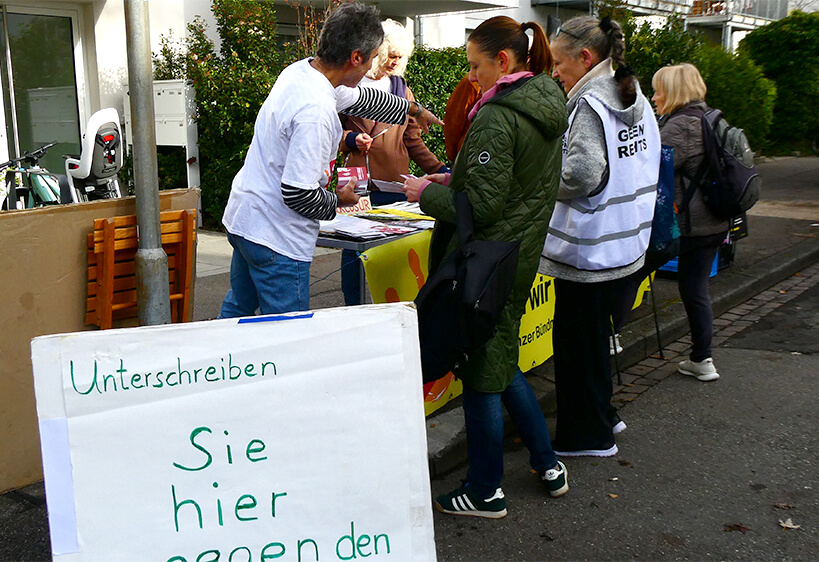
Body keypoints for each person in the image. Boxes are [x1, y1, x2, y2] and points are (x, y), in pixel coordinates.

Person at [403, 16, 569, 519]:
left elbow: (483, 204)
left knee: (481, 370)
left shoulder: (499, 114)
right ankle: (548, 464)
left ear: (503, 60)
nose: (471, 77)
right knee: (499, 358)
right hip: (516, 254)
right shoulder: (543, 99)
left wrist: (425, 191)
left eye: (476, 67)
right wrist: (454, 179)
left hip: (487, 261)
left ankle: (485, 490)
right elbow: (511, 184)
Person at [217, 3, 441, 319]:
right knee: (287, 329)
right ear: (356, 58)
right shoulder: (316, 113)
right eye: (372, 58)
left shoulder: (303, 72)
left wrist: (414, 110)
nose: (373, 67)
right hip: (277, 237)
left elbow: (363, 100)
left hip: (246, 218)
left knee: (237, 309)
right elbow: (298, 194)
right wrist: (340, 201)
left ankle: (220, 350)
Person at [540, 16, 660, 457]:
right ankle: (605, 415)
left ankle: (588, 437)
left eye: (559, 63)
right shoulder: (631, 95)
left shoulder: (591, 103)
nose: (555, 72)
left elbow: (582, 174)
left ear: (586, 58)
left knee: (577, 347)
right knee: (595, 342)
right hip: (623, 242)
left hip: (587, 249)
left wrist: (537, 179)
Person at [338, 19, 448, 306]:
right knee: (352, 250)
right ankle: (353, 307)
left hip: (394, 183)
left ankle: (392, 307)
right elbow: (328, 133)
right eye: (390, 55)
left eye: (400, 56)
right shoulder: (349, 85)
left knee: (392, 248)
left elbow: (413, 140)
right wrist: (351, 140)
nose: (395, 62)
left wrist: (441, 171)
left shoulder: (401, 88)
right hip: (356, 181)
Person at [652, 63, 729, 382]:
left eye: (658, 90)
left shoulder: (680, 126)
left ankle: (610, 337)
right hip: (715, 220)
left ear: (673, 92)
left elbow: (652, 169)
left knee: (633, 274)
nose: (654, 97)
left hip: (685, 225)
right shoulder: (713, 118)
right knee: (696, 290)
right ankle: (702, 359)